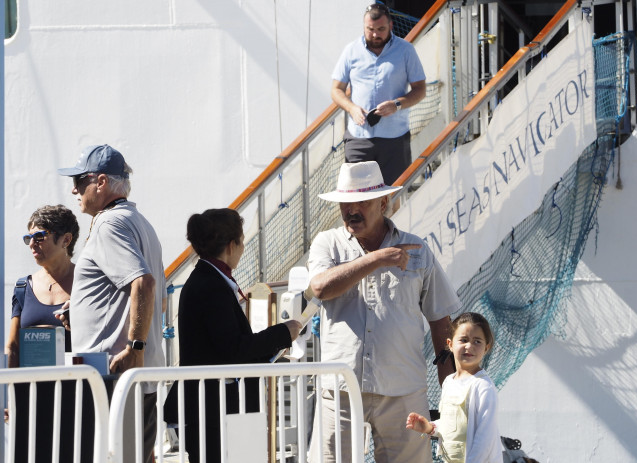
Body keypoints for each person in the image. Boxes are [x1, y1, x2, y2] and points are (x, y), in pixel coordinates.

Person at [308, 161, 459, 463]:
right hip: (340, 391)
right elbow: (321, 288)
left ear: (384, 202)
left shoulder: (417, 249)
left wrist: (452, 393)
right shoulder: (327, 243)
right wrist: (377, 260)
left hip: (403, 392)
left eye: (361, 201)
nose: (352, 210)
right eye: (346, 203)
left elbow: (441, 322)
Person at [57, 144, 166, 463]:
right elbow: (155, 300)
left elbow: (143, 284)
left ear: (101, 182)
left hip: (113, 376)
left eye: (79, 180)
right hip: (131, 378)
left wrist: (135, 347)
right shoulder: (140, 222)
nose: (73, 189)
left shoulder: (109, 224)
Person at [170, 208, 302, 463]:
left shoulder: (205, 280)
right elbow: (233, 349)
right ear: (232, 245)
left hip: (214, 407)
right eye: (242, 242)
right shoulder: (212, 286)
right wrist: (283, 333)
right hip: (217, 410)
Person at [5, 205, 80, 462]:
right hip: (31, 398)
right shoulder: (22, 287)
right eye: (29, 238)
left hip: (76, 397)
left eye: (40, 236)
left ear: (66, 239)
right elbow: (12, 346)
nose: (32, 244)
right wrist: (10, 397)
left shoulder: (87, 283)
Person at [331, 3, 427, 186]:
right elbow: (336, 90)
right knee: (356, 199)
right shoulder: (351, 50)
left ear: (391, 25)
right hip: (358, 137)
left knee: (392, 196)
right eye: (370, 29)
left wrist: (397, 104)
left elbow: (420, 89)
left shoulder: (406, 50)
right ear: (364, 27)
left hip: (395, 138)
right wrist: (352, 109)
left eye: (381, 29)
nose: (375, 35)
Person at [406, 312, 502, 463]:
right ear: (450, 344)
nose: (469, 346)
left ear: (486, 348)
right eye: (463, 340)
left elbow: (485, 437)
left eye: (477, 341)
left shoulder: (483, 387)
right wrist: (430, 428)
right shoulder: (448, 382)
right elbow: (453, 425)